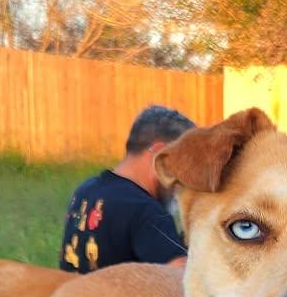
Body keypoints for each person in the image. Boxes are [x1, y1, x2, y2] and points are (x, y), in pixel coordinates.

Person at [59, 105, 194, 273]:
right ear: (161, 154)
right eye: (186, 163)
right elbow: (180, 279)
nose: (187, 179)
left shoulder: (85, 191)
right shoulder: (146, 211)